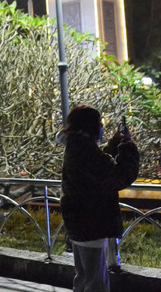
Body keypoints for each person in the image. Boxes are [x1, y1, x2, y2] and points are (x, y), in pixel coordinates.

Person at [60, 105, 140, 292]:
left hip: (78, 221)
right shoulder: (85, 152)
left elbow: (99, 165)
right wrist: (128, 146)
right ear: (91, 126)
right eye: (100, 123)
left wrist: (113, 144)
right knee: (96, 281)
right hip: (91, 221)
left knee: (84, 277)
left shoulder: (77, 146)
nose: (102, 127)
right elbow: (119, 176)